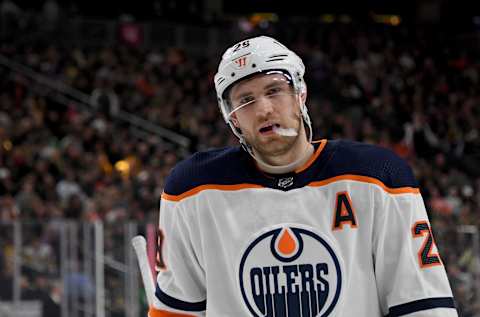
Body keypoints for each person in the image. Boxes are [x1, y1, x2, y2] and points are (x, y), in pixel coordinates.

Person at [149, 36, 458, 316]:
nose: (264, 109)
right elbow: (176, 311)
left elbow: (423, 306)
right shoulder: (192, 189)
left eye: (274, 90)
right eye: (245, 100)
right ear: (233, 120)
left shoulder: (378, 177)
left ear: (300, 94)